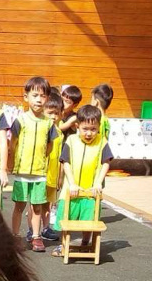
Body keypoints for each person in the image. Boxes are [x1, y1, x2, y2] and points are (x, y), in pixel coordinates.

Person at [51, 104, 111, 257]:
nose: (89, 133)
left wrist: (98, 182)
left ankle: (85, 243)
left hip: (91, 190)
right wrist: (71, 183)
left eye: (93, 129)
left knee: (89, 218)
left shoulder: (102, 142)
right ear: (77, 126)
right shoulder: (71, 140)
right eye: (85, 129)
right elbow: (66, 162)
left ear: (99, 127)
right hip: (71, 189)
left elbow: (106, 162)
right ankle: (63, 244)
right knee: (66, 217)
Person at [11, 76, 59, 253]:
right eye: (35, 95)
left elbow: (50, 146)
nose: (39, 99)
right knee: (19, 206)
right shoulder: (20, 120)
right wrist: (12, 163)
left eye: (43, 96)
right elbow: (12, 143)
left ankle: (37, 237)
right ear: (26, 97)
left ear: (47, 98)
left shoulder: (49, 124)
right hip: (22, 172)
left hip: (39, 173)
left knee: (37, 207)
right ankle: (15, 236)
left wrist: (41, 160)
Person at [42, 90, 64, 241]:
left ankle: (45, 228)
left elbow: (60, 157)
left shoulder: (60, 133)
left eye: (56, 113)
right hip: (42, 174)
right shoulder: (42, 130)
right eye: (50, 113)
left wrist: (60, 177)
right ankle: (32, 230)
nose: (54, 116)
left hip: (53, 175)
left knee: (48, 204)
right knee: (36, 204)